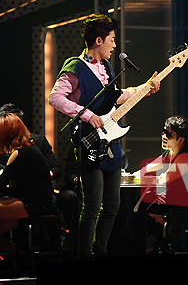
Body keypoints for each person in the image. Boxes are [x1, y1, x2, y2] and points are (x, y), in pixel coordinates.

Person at [49, 14, 160, 258]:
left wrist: (144, 89)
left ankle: (100, 253)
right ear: (98, 40)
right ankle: (84, 255)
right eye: (112, 39)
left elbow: (116, 96)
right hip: (89, 142)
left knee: (112, 206)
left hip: (111, 142)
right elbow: (55, 98)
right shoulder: (75, 67)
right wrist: (87, 114)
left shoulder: (107, 67)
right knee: (92, 206)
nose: (115, 45)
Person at [138, 115, 188, 253]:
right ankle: (159, 244)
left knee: (143, 208)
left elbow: (164, 179)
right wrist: (133, 176)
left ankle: (168, 246)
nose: (164, 136)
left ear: (181, 139)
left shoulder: (187, 157)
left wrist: (147, 179)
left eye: (169, 134)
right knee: (140, 205)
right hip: (172, 202)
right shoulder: (169, 153)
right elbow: (146, 170)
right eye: (163, 132)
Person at [0, 113, 55, 255]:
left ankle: (17, 254)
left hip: (36, 205)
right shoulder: (29, 148)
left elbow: (1, 184)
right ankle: (18, 255)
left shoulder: (19, 152)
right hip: (40, 202)